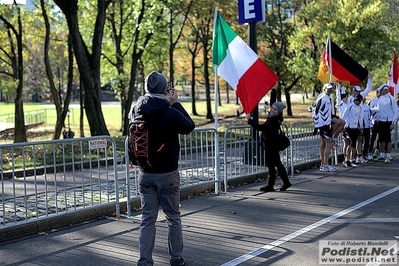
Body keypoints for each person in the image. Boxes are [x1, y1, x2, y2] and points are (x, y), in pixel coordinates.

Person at [130, 71, 195, 266]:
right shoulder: (169, 112)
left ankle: (144, 261)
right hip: (167, 173)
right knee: (173, 217)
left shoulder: (136, 109)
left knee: (147, 219)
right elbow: (189, 126)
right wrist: (175, 103)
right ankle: (176, 259)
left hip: (144, 173)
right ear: (166, 89)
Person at [247, 102, 292, 192]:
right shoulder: (273, 118)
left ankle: (272, 185)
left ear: (278, 112)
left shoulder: (273, 120)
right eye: (272, 108)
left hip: (272, 145)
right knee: (277, 164)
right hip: (271, 145)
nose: (272, 110)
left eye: (275, 109)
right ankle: (283, 182)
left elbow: (261, 127)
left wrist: (250, 121)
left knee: (273, 165)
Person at [312, 83, 336, 172]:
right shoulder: (323, 98)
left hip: (325, 124)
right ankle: (325, 164)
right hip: (323, 125)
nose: (330, 90)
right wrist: (317, 125)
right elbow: (316, 110)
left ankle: (323, 164)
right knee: (328, 144)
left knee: (323, 144)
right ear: (324, 89)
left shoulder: (324, 97)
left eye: (331, 88)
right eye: (328, 89)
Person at [372, 84, 399, 163]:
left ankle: (388, 155)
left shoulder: (392, 99)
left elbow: (396, 112)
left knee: (388, 139)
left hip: (389, 121)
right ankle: (382, 154)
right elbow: (378, 110)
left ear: (386, 90)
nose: (380, 91)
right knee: (381, 139)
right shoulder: (380, 99)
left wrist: (393, 122)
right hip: (381, 121)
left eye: (382, 90)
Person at [342, 94, 364, 167]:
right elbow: (344, 116)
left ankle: (352, 159)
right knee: (350, 143)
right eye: (358, 101)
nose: (359, 102)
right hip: (348, 127)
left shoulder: (360, 108)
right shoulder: (350, 106)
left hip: (355, 127)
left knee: (354, 144)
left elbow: (360, 118)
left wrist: (360, 127)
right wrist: (342, 126)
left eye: (360, 101)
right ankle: (346, 159)